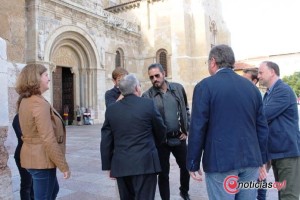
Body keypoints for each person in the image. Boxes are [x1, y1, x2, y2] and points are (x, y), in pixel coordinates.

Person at [187, 44, 269, 200]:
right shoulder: (252, 88)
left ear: (213, 61)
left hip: (220, 163)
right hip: (250, 161)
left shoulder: (205, 86)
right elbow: (262, 127)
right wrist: (262, 160)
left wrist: (193, 161)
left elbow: (198, 127)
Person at [101, 74, 167, 200]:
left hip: (121, 165)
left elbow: (106, 139)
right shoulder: (148, 105)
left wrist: (108, 166)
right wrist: (155, 145)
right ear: (137, 88)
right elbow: (161, 130)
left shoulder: (111, 109)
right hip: (145, 163)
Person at [15, 64, 71, 199]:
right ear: (36, 79)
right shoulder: (38, 103)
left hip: (34, 156)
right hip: (41, 159)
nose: (49, 78)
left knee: (52, 190)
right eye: (46, 75)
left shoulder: (26, 100)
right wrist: (63, 166)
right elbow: (48, 137)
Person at [142, 63, 191, 200]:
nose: (155, 79)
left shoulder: (178, 89)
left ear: (164, 74)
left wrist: (186, 129)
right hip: (161, 142)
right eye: (151, 77)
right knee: (163, 174)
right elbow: (146, 121)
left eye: (157, 75)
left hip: (179, 138)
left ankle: (184, 191)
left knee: (186, 166)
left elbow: (186, 109)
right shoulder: (147, 96)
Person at [258, 61, 300, 200]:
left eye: (261, 72)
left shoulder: (283, 90)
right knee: (282, 194)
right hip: (277, 152)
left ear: (272, 72)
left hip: (287, 153)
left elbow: (263, 115)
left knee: (288, 195)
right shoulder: (269, 94)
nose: (258, 76)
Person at [242, 67, 268, 200]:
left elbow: (262, 123)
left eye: (245, 79)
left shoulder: (259, 95)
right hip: (250, 147)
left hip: (258, 146)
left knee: (260, 179)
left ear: (254, 80)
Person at [12, 114, 34, 200]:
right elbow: (22, 137)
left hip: (34, 155)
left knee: (33, 184)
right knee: (27, 183)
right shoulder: (18, 117)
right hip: (23, 154)